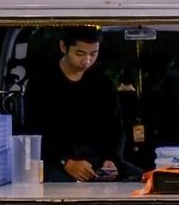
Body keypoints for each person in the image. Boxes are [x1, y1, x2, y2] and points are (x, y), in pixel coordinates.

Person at [24, 26, 128, 183]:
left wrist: (112, 159)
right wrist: (65, 162)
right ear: (63, 47)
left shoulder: (102, 83)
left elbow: (116, 128)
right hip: (56, 163)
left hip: (97, 163)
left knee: (142, 181)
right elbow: (33, 133)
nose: (87, 61)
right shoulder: (41, 82)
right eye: (80, 53)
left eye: (93, 54)